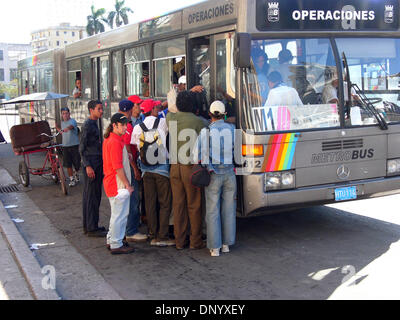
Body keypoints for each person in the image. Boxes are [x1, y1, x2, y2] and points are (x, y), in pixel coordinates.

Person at [193, 101, 236, 257]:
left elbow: (196, 155)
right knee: (229, 209)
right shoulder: (232, 129)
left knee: (212, 211)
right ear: (224, 114)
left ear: (210, 115)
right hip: (230, 173)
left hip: (213, 175)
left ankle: (215, 248)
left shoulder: (206, 132)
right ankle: (226, 244)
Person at [166, 91, 207, 250]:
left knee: (178, 205)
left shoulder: (171, 119)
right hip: (190, 168)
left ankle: (179, 241)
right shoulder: (198, 122)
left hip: (174, 167)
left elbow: (171, 109)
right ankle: (195, 241)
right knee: (194, 204)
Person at [131, 99, 174, 247]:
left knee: (149, 203)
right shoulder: (162, 123)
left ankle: (152, 232)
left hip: (146, 170)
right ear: (153, 110)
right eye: (156, 107)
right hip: (162, 169)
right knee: (165, 203)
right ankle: (162, 236)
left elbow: (136, 148)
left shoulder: (137, 127)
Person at [103, 113, 135, 255]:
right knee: (120, 215)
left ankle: (112, 240)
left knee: (116, 214)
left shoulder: (111, 139)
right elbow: (118, 167)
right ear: (114, 125)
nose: (125, 127)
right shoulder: (115, 141)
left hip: (112, 182)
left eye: (125, 124)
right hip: (117, 184)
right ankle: (116, 243)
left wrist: (126, 156)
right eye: (122, 125)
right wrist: (127, 185)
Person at [118, 99, 148, 243]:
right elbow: (128, 149)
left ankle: (127, 228)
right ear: (129, 110)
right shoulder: (127, 126)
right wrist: (135, 169)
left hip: (122, 165)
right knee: (134, 197)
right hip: (129, 166)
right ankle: (131, 230)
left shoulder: (117, 123)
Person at [79, 100, 107, 237]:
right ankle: (91, 228)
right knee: (91, 196)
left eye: (102, 109)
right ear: (91, 110)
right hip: (92, 164)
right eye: (99, 109)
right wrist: (88, 166)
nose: (101, 111)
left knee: (95, 195)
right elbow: (82, 148)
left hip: (96, 163)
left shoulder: (94, 123)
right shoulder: (88, 125)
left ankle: (92, 225)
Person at [56, 107, 81, 187]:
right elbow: (61, 132)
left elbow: (71, 126)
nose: (65, 115)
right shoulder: (62, 123)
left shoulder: (72, 121)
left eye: (66, 113)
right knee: (68, 164)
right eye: (63, 114)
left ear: (69, 114)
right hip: (65, 146)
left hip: (74, 145)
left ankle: (76, 172)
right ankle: (71, 179)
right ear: (61, 115)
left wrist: (67, 128)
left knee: (77, 163)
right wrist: (57, 128)